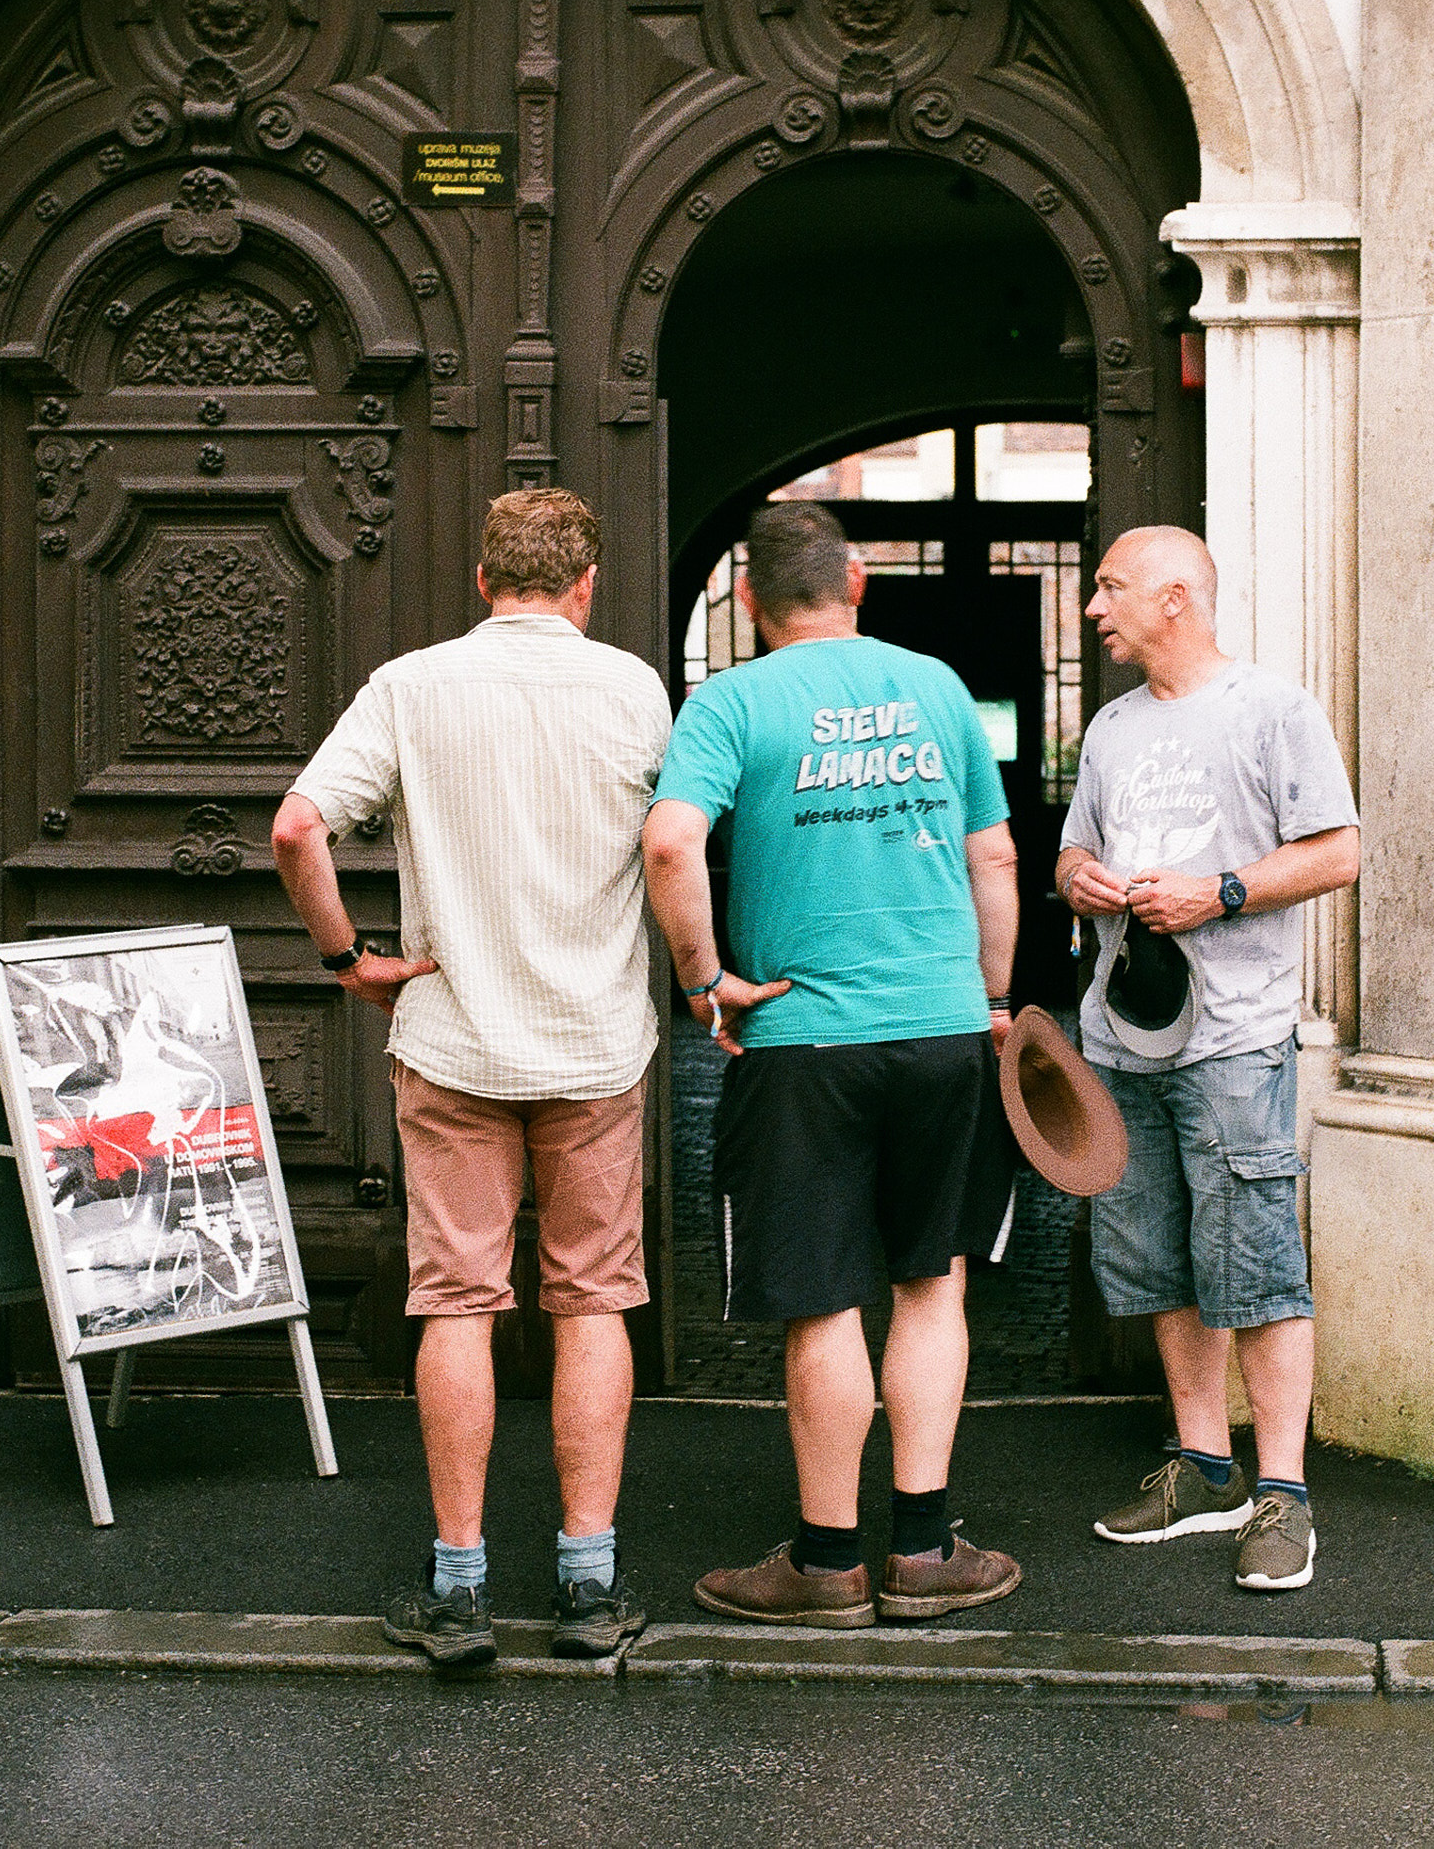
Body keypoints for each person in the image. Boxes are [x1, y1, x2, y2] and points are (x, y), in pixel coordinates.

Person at [272, 487, 671, 1665]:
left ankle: (457, 1587)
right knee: (592, 1296)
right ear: (585, 582)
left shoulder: (412, 684)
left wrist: (350, 958)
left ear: (484, 578)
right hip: (594, 1044)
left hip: (450, 1041)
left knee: (456, 1298)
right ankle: (587, 1585)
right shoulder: (632, 688)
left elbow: (297, 827)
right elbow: (672, 836)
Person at [642, 500, 1023, 1627]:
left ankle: (823, 1563)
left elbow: (670, 840)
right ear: (857, 580)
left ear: (748, 598)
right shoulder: (937, 686)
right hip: (940, 1023)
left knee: (820, 1303)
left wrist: (704, 983)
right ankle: (923, 1548)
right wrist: (991, 996)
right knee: (928, 1280)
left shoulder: (729, 700)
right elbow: (993, 853)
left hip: (802, 1038)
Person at [1056, 524, 1359, 1592]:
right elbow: (1072, 849)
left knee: (1256, 1259)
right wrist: (1080, 876)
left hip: (1232, 1034)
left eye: (1109, 587)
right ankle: (1201, 1464)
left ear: (1176, 597)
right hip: (1118, 1035)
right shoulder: (1108, 726)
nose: (1095, 606)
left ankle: (1283, 1493)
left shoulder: (1270, 709)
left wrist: (1217, 891)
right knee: (1155, 1256)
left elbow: (1338, 849)